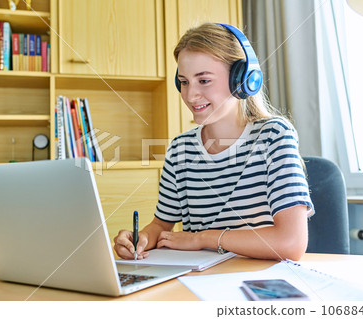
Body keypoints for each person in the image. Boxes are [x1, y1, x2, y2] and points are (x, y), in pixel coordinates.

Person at [114, 23, 313, 261]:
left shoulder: (274, 136)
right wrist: (141, 238)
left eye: (204, 80)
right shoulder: (180, 149)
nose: (190, 95)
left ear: (242, 79)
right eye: (184, 82)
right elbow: (161, 225)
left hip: (257, 278)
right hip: (197, 278)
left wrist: (202, 238)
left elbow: (291, 243)